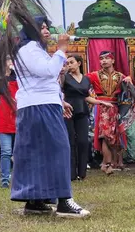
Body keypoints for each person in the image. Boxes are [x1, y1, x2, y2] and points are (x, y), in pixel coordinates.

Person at [12, 19, 90, 218]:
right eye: (42, 27)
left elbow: (42, 79)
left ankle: (35, 200)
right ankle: (64, 201)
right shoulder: (28, 48)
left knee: (38, 153)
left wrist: (59, 100)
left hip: (39, 104)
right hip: (39, 106)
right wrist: (62, 50)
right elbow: (47, 71)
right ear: (31, 30)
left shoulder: (33, 49)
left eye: (47, 27)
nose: (47, 31)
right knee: (59, 148)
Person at [63, 55, 112, 180]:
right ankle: (71, 174)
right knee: (71, 142)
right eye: (67, 63)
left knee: (83, 142)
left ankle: (82, 172)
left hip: (82, 112)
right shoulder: (64, 78)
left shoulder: (85, 79)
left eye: (71, 62)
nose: (69, 65)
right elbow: (58, 93)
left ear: (79, 63)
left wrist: (101, 102)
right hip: (68, 112)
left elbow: (86, 97)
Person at [86, 51, 132, 175]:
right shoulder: (94, 75)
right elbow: (81, 83)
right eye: (101, 59)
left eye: (106, 58)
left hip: (115, 108)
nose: (103, 61)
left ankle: (109, 163)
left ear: (113, 60)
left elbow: (129, 93)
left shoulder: (120, 76)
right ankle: (107, 164)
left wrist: (128, 80)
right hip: (101, 107)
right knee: (105, 136)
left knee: (113, 136)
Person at [0, 57, 18, 188]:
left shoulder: (19, 78)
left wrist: (15, 71)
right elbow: (2, 89)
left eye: (11, 60)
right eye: (7, 60)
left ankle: (18, 179)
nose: (10, 62)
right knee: (6, 152)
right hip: (3, 120)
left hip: (18, 120)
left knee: (19, 152)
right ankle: (4, 180)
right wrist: (6, 72)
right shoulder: (1, 79)